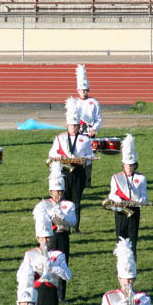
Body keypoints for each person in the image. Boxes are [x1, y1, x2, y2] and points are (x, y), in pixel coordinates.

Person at [48, 97, 94, 232]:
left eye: (75, 125)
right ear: (67, 126)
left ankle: (76, 227)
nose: (73, 128)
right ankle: (63, 225)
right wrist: (61, 158)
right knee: (63, 200)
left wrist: (83, 159)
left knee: (77, 202)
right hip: (64, 172)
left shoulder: (85, 139)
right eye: (71, 125)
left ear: (79, 126)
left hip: (79, 172)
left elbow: (90, 156)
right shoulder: (60, 137)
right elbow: (51, 154)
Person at [36, 162, 77, 302]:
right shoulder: (43, 205)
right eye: (56, 191)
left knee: (62, 263)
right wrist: (51, 216)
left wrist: (62, 215)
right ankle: (48, 291)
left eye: (60, 191)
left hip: (63, 236)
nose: (58, 194)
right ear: (51, 191)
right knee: (47, 263)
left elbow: (73, 222)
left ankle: (61, 295)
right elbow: (39, 220)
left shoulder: (69, 205)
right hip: (50, 237)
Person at [106, 134, 146, 255]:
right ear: (123, 165)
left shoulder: (141, 178)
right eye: (127, 165)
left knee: (133, 240)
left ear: (135, 165)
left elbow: (144, 194)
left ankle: (132, 264)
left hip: (134, 210)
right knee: (120, 239)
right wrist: (118, 199)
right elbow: (111, 194)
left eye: (132, 165)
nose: (129, 167)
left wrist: (141, 200)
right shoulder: (116, 177)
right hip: (120, 211)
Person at [75, 64, 102, 187]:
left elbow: (98, 119)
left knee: (89, 159)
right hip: (77, 134)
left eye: (85, 90)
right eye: (81, 90)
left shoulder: (94, 102)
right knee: (76, 157)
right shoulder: (73, 103)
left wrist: (94, 129)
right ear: (78, 90)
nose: (84, 92)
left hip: (89, 134)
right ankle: (77, 181)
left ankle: (87, 182)